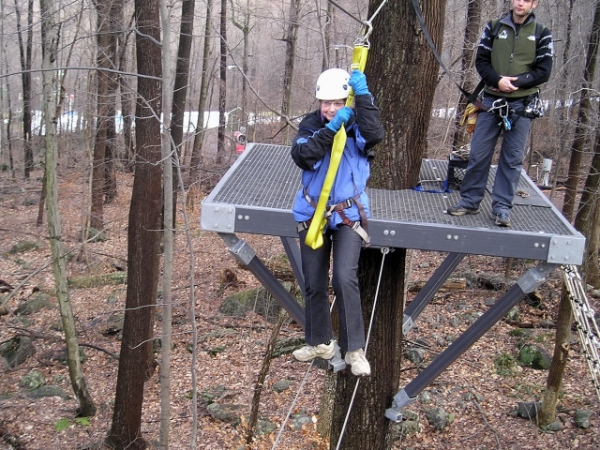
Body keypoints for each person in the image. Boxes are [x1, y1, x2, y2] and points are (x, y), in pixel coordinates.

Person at [290, 68, 384, 376]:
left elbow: (375, 136)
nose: (330, 109)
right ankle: (320, 342)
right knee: (313, 282)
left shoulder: (357, 125)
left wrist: (365, 98)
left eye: (337, 102)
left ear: (347, 99)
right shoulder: (311, 125)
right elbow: (304, 154)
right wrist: (332, 128)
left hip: (347, 214)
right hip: (313, 213)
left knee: (344, 278)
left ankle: (354, 349)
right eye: (325, 103)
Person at [447, 0, 553, 227]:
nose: (520, 3)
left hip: (522, 104)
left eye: (526, 0)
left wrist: (518, 82)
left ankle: (502, 208)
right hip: (491, 100)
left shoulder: (542, 33)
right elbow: (482, 61)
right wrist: (497, 80)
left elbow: (544, 70)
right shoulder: (494, 27)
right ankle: (469, 201)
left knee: (512, 159)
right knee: (479, 153)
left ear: (534, 3)